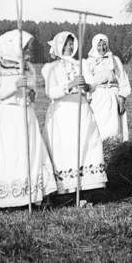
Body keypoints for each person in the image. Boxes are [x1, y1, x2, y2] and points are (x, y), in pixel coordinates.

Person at [0, 30, 57, 209]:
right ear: (13, 47)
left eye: (28, 47)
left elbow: (33, 94)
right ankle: (1, 199)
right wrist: (14, 85)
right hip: (3, 117)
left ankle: (27, 196)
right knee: (4, 156)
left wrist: (31, 93)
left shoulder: (29, 67)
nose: (28, 51)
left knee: (26, 155)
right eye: (24, 47)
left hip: (24, 116)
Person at [41, 31, 107, 199]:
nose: (69, 47)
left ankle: (85, 190)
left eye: (71, 44)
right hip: (63, 112)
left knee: (85, 145)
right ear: (57, 47)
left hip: (81, 109)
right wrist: (70, 84)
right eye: (65, 44)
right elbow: (51, 92)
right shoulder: (50, 68)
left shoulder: (82, 64)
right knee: (66, 148)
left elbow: (92, 85)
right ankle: (65, 192)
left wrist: (85, 86)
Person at [84, 33, 131, 142]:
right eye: (99, 45)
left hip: (112, 97)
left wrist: (122, 98)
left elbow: (123, 80)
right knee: (98, 127)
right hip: (98, 98)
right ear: (95, 46)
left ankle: (114, 148)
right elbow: (88, 82)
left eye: (104, 45)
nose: (102, 48)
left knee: (113, 128)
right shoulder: (90, 62)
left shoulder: (114, 60)